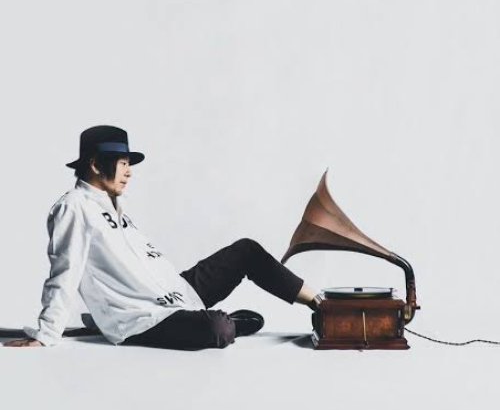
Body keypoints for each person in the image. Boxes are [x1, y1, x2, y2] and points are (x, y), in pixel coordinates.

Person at [3, 125, 322, 350]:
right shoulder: (73, 207)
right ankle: (232, 323)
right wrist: (47, 333)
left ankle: (321, 304)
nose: (129, 171)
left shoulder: (114, 206)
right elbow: (65, 270)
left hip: (176, 294)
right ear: (96, 165)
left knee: (246, 251)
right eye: (123, 163)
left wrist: (181, 290)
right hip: (141, 318)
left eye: (129, 164)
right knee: (218, 329)